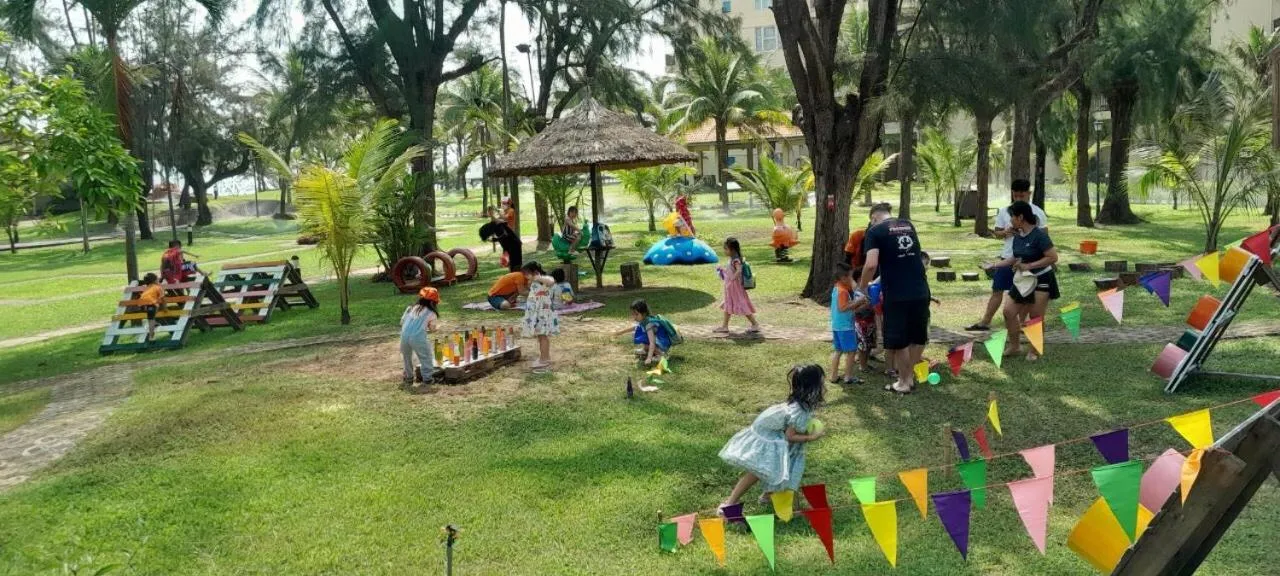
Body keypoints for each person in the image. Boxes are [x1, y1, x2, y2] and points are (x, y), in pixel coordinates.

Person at [718, 364, 826, 511]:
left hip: (771, 433)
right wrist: (812, 437)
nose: (823, 385)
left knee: (777, 466)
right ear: (812, 387)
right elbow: (790, 436)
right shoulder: (800, 410)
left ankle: (767, 496)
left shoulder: (800, 403)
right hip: (767, 437)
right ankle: (729, 504)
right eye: (821, 381)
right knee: (758, 470)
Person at [859, 202, 930, 395]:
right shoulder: (908, 224)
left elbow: (871, 265)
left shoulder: (874, 232)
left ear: (874, 218)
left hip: (897, 293)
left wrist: (863, 286)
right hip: (921, 289)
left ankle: (904, 382)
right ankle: (909, 377)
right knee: (917, 336)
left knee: (899, 339)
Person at [967, 179, 1048, 331]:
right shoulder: (1005, 211)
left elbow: (1045, 237)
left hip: (1028, 260)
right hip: (1008, 257)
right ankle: (985, 321)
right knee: (997, 289)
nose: (1018, 199)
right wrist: (1005, 232)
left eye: (1021, 196)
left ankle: (1022, 324)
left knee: (1025, 293)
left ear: (1029, 194)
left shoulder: (1037, 212)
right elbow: (996, 232)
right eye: (1015, 196)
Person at [984, 201, 1060, 361]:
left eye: (1012, 216)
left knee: (1035, 316)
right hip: (1023, 280)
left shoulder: (1040, 235)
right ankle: (1015, 346)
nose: (1010, 219)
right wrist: (994, 264)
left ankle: (1034, 350)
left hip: (1042, 278)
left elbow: (1053, 257)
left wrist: (1029, 265)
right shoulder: (1018, 235)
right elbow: (1015, 257)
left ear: (1020, 217)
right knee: (1008, 312)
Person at [829, 263, 867, 384]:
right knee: (851, 352)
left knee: (838, 351)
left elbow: (848, 308)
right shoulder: (842, 291)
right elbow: (843, 308)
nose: (852, 280)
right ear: (844, 278)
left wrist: (860, 305)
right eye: (851, 277)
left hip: (837, 326)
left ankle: (833, 376)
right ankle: (848, 377)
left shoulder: (837, 288)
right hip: (845, 327)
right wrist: (858, 301)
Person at [715, 237, 761, 334]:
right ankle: (725, 326)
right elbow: (731, 271)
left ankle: (755, 324)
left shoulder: (735, 260)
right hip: (730, 287)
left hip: (735, 287)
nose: (724, 251)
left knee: (741, 303)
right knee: (728, 304)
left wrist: (732, 279)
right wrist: (722, 270)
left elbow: (738, 270)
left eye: (726, 249)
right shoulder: (732, 259)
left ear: (732, 249)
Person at [519, 261, 559, 371]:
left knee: (543, 337)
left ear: (535, 272)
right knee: (540, 337)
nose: (525, 277)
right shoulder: (534, 283)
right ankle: (543, 357)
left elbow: (552, 281)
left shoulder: (543, 281)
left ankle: (545, 359)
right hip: (537, 315)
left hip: (543, 315)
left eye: (527, 274)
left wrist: (538, 278)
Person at [400, 287, 440, 385]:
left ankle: (408, 377)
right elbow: (432, 329)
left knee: (407, 357)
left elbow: (402, 322)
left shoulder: (411, 308)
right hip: (418, 338)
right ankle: (428, 379)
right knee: (426, 356)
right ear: (433, 302)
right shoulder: (431, 313)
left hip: (404, 336)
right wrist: (438, 327)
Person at [631, 299, 679, 365]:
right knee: (637, 332)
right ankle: (647, 350)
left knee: (645, 337)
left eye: (636, 314)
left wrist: (649, 358)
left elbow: (652, 342)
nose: (634, 317)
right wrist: (619, 332)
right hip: (659, 341)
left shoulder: (649, 324)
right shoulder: (644, 320)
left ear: (644, 313)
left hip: (663, 343)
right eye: (633, 314)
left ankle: (662, 354)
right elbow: (634, 328)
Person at [852, 268, 878, 375]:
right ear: (859, 279)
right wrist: (865, 305)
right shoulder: (857, 292)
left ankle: (865, 363)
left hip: (870, 321)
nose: (871, 279)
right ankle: (862, 366)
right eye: (869, 276)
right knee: (863, 346)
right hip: (861, 322)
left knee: (869, 345)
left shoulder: (869, 288)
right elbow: (854, 310)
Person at [134, 273, 165, 341]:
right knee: (151, 319)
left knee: (151, 318)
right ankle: (151, 336)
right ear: (154, 280)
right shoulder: (158, 287)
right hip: (151, 304)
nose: (158, 280)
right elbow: (163, 299)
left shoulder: (146, 287)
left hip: (142, 305)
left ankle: (155, 323)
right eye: (157, 279)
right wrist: (165, 308)